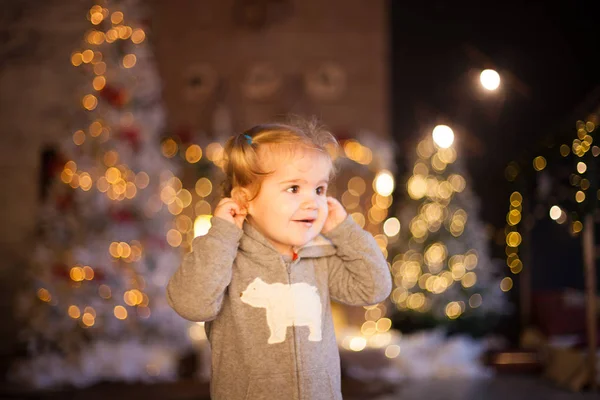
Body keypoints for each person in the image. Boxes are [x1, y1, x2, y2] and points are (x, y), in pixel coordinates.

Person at [167, 120, 392, 400]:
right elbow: (191, 304)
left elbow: (374, 288)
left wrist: (345, 231)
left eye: (320, 189)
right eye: (294, 188)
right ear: (245, 199)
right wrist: (222, 236)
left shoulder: (320, 255)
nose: (312, 202)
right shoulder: (222, 255)